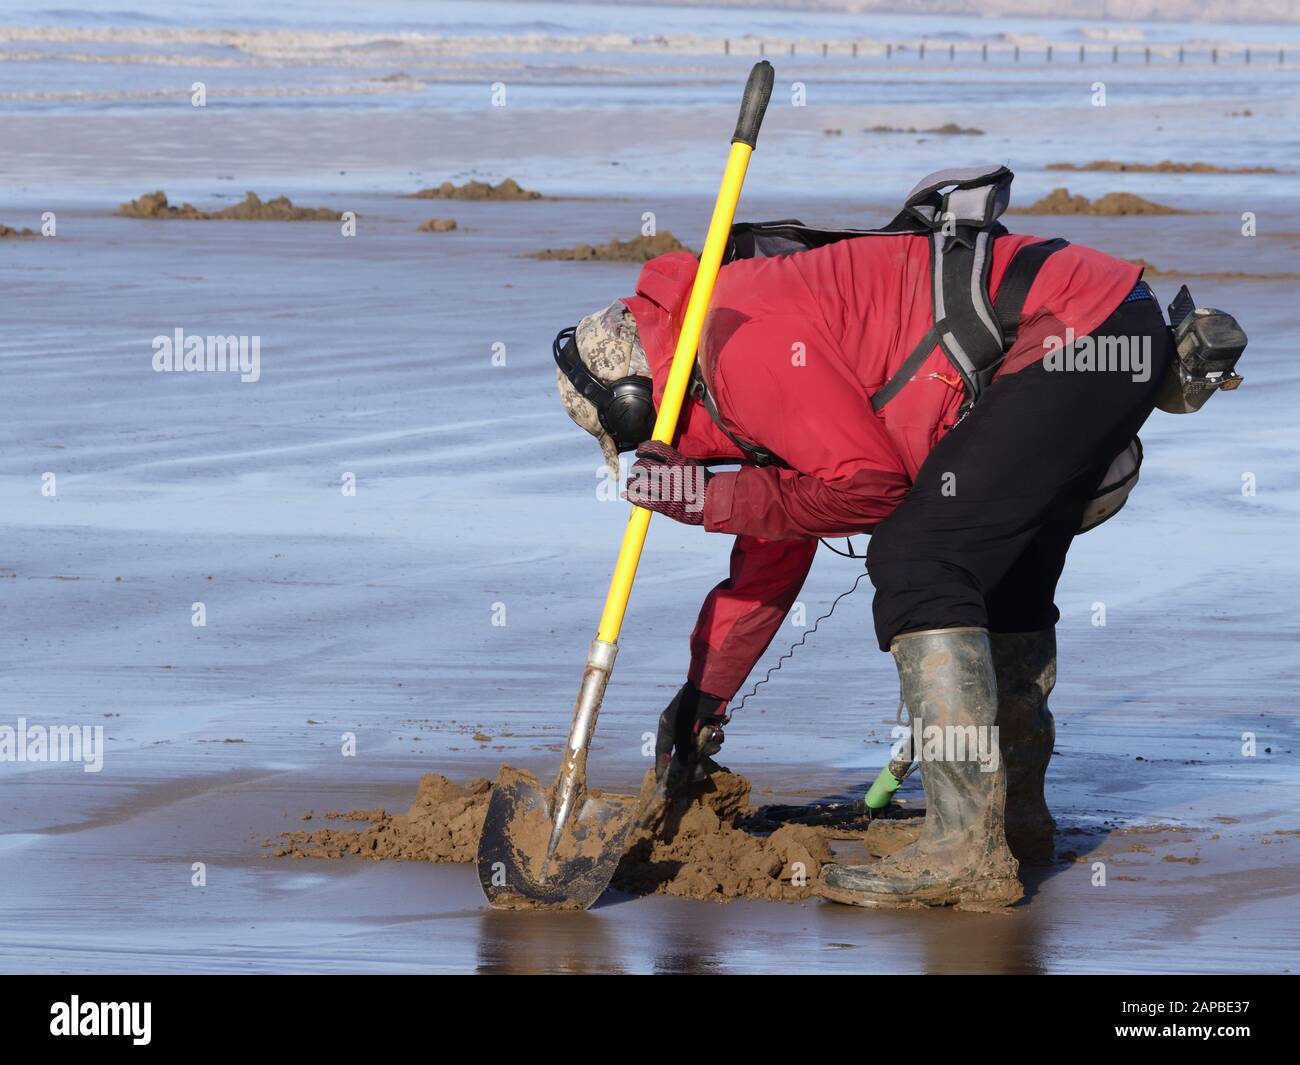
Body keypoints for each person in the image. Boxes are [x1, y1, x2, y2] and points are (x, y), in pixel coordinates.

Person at [553, 190, 1172, 910]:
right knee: (993, 563)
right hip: (1106, 321)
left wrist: (705, 497)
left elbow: (869, 487)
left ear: (636, 402)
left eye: (626, 439)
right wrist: (702, 698)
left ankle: (965, 847)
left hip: (1074, 332)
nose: (635, 452)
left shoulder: (741, 353)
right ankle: (1012, 823)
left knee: (919, 559)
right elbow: (775, 547)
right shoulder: (712, 330)